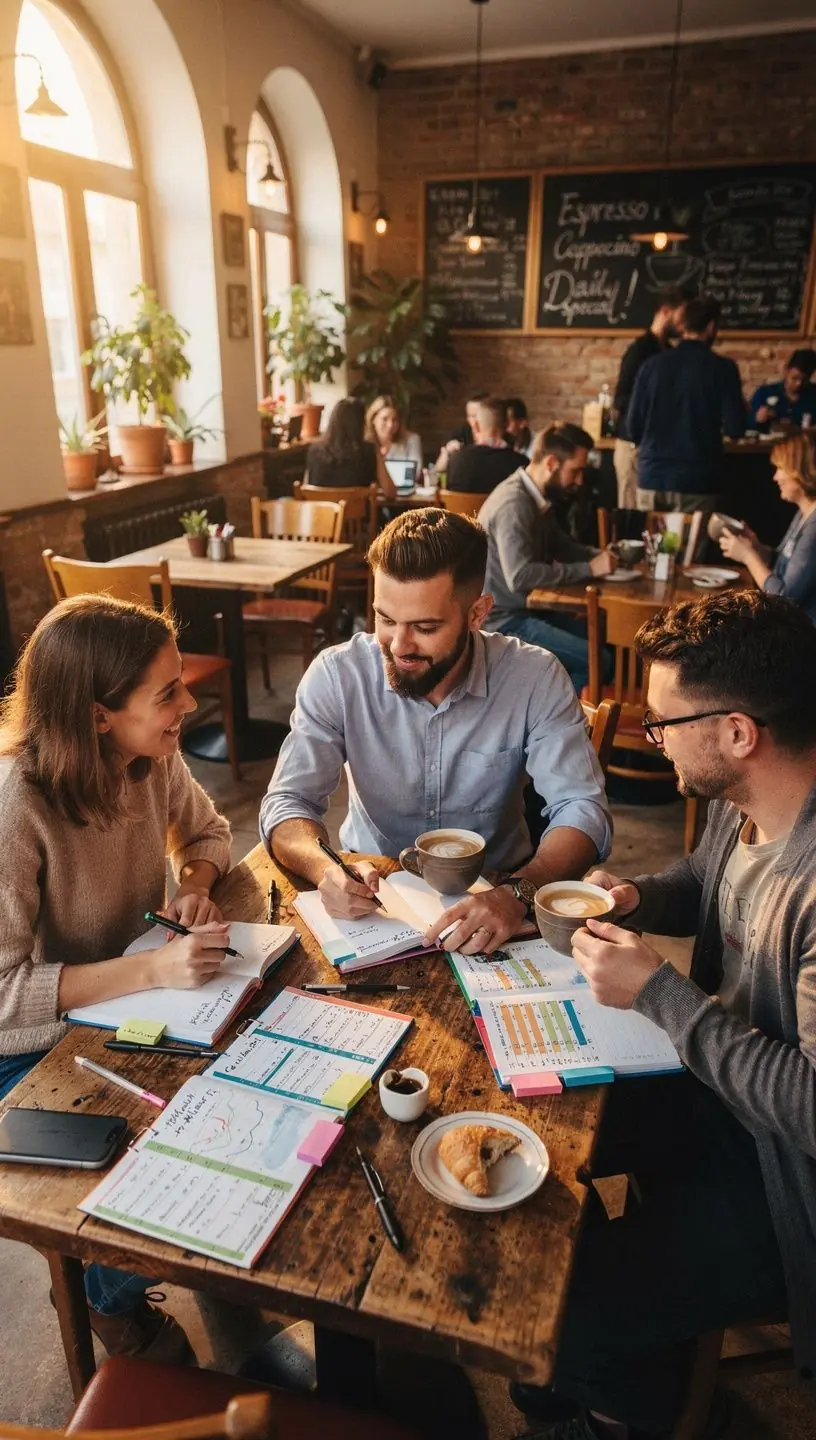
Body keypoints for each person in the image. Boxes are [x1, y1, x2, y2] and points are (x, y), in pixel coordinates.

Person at [514, 589, 816, 1440]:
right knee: (533, 1143)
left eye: (663, 723)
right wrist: (638, 895)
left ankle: (634, 1409)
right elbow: (708, 887)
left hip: (785, 1178)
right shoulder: (745, 803)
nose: (651, 738)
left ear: (737, 733)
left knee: (559, 1311)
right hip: (720, 1103)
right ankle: (574, 1381)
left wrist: (658, 992)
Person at [0, 594, 232, 1364]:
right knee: (156, 1156)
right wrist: (150, 968)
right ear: (99, 715)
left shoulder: (152, 759)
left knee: (229, 1111)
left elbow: (209, 830)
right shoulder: (16, 803)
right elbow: (1, 997)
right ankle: (103, 1295)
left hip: (135, 998)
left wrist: (195, 880)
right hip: (26, 1046)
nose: (188, 704)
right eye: (166, 693)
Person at [260, 507, 611, 954]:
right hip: (372, 896)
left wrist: (519, 893)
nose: (399, 645)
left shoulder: (534, 676)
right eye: (385, 619)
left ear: (477, 613)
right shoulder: (338, 674)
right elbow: (288, 802)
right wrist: (324, 868)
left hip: (500, 890)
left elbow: (581, 809)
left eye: (425, 628)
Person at [478, 422, 616, 692]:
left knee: (603, 640)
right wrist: (589, 568)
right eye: (575, 471)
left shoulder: (534, 496)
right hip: (502, 621)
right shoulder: (514, 504)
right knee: (600, 660)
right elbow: (521, 576)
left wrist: (599, 556)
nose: (579, 481)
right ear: (552, 462)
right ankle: (552, 720)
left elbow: (561, 545)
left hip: (527, 609)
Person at [627, 295, 746, 512]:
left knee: (652, 546)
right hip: (698, 479)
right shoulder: (723, 368)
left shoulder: (651, 365)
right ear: (711, 327)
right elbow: (735, 428)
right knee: (691, 546)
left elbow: (633, 427)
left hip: (652, 475)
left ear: (682, 326)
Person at [719, 430, 816, 623]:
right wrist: (756, 547)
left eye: (781, 468)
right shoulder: (804, 512)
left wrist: (748, 557)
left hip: (804, 638)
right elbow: (784, 563)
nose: (775, 477)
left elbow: (783, 598)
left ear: (801, 470)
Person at [612, 286, 689, 510]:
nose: (684, 323)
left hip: (653, 450)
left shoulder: (668, 350)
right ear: (666, 311)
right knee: (632, 521)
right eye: (681, 314)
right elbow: (621, 399)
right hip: (633, 447)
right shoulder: (640, 350)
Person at [305, 396, 397, 500]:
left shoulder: (314, 451)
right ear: (360, 424)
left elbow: (306, 490)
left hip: (323, 516)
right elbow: (390, 492)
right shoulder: (368, 451)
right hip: (360, 516)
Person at [445, 397, 521, 495]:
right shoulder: (520, 465)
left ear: (476, 426)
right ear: (507, 425)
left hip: (460, 511)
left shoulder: (456, 460)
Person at [748, 348, 816, 432]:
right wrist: (757, 419)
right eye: (794, 378)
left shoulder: (813, 395)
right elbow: (747, 425)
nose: (799, 383)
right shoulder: (765, 393)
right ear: (785, 370)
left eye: (804, 379)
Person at [434, 389, 489, 471]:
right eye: (469, 416)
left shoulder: (498, 436)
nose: (472, 421)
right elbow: (438, 469)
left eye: (476, 416)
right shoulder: (459, 434)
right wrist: (447, 453)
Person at [365, 394, 423, 467]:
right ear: (373, 419)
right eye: (384, 419)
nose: (390, 425)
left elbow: (413, 474)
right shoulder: (364, 446)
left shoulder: (411, 440)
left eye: (394, 420)